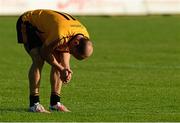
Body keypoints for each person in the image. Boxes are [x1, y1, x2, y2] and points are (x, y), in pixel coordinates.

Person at [16, 9, 93, 113]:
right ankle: (34, 104)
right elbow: (45, 52)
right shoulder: (60, 34)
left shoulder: (83, 36)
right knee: (38, 59)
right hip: (29, 22)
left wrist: (66, 67)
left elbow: (66, 48)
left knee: (59, 62)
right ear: (76, 43)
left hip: (51, 28)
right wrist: (61, 68)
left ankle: (55, 104)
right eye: (73, 52)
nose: (70, 53)